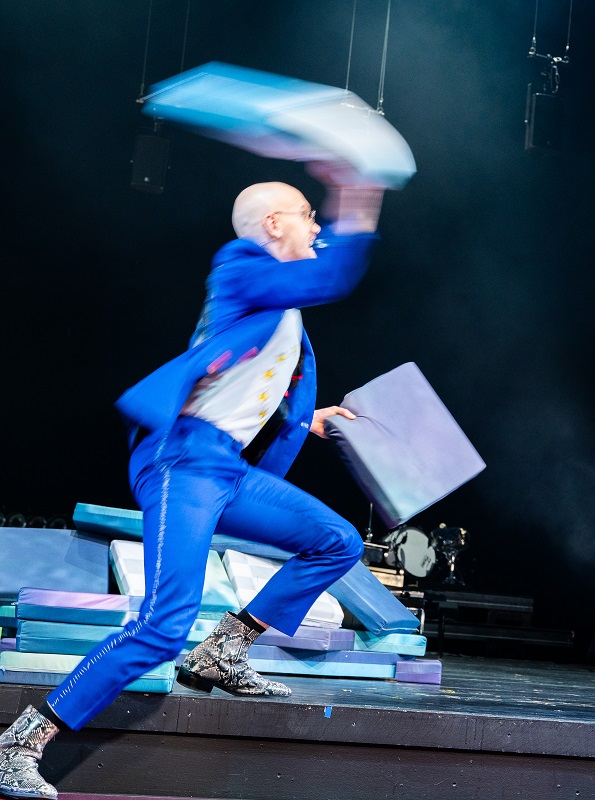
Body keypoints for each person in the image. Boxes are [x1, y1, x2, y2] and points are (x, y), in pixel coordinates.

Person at [0, 170, 385, 800]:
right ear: (273, 224)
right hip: (183, 460)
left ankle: (223, 652)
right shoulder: (241, 265)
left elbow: (251, 381)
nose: (317, 226)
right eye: (307, 214)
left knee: (337, 541)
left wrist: (307, 418)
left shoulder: (284, 311)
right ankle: (20, 743)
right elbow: (331, 277)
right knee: (164, 624)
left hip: (225, 468)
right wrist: (358, 200)